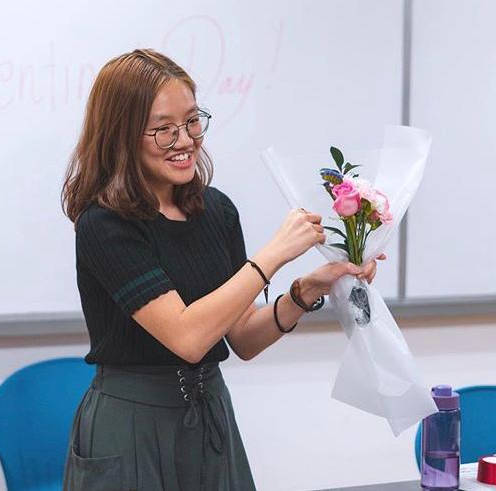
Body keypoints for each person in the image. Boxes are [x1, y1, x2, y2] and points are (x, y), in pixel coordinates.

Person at [60, 48, 383, 491]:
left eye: (192, 121)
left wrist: (306, 290)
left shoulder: (215, 211)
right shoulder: (105, 224)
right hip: (130, 427)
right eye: (163, 130)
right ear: (122, 136)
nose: (185, 140)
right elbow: (188, 337)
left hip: (209, 420)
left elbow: (243, 338)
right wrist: (272, 256)